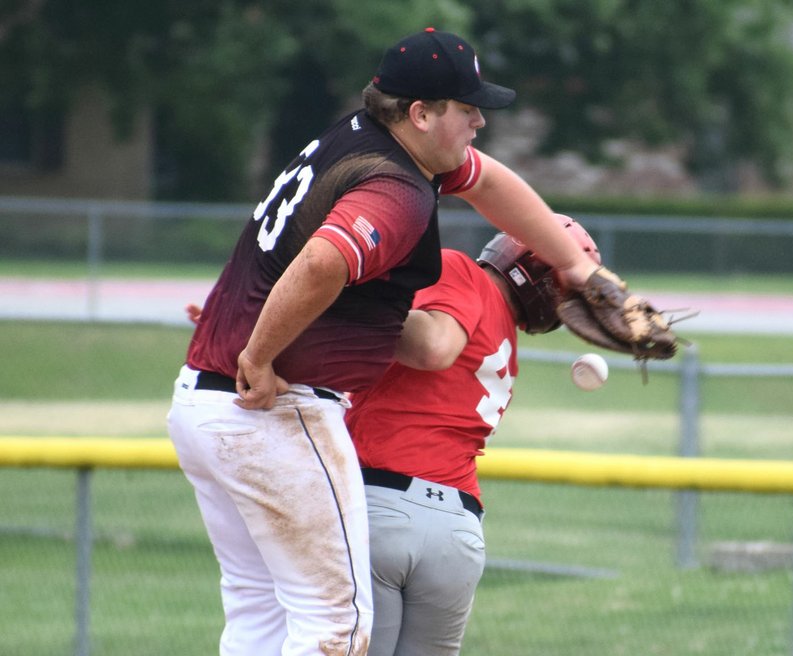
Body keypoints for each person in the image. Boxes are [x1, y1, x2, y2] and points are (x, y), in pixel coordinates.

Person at [167, 27, 613, 656]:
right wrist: (260, 352)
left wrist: (581, 267)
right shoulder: (398, 188)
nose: (480, 121)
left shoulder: (353, 137)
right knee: (336, 627)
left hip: (202, 402)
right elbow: (324, 263)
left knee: (259, 613)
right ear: (421, 113)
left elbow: (489, 184)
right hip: (274, 407)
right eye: (467, 108)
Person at [345, 216, 601, 656]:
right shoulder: (509, 346)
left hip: (381, 506)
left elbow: (428, 346)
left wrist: (344, 295)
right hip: (458, 531)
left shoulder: (461, 271)